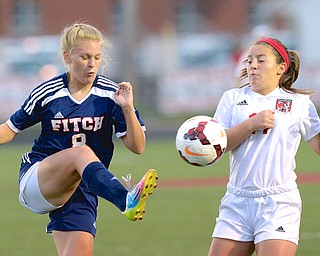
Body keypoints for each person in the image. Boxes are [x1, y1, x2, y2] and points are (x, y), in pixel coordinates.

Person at [0, 22, 158, 256]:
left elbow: (138, 146)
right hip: (38, 179)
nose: (92, 64)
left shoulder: (111, 94)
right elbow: (9, 129)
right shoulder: (48, 93)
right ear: (67, 56)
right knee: (81, 153)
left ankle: (125, 200)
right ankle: (124, 199)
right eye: (84, 56)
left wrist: (128, 108)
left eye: (96, 57)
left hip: (82, 190)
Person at [208, 37, 320, 256]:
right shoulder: (232, 98)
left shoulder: (299, 103)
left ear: (281, 68)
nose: (253, 65)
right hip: (236, 201)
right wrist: (251, 124)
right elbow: (216, 147)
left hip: (278, 202)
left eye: (260, 60)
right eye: (249, 61)